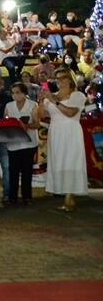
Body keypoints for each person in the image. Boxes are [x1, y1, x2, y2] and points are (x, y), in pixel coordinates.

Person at [39, 69, 88, 212]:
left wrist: (54, 100)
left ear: (69, 79)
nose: (59, 81)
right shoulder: (51, 96)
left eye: (62, 78)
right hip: (56, 131)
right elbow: (42, 115)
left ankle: (69, 197)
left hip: (71, 130)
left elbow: (71, 112)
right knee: (58, 161)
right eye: (57, 79)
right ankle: (67, 196)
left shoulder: (77, 95)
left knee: (71, 160)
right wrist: (42, 100)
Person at [4, 83, 40, 206]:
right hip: (13, 143)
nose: (15, 95)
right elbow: (5, 123)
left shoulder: (32, 105)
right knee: (13, 171)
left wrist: (26, 126)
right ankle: (12, 196)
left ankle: (27, 197)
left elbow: (37, 124)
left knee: (26, 171)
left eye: (18, 92)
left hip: (28, 143)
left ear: (24, 93)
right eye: (13, 93)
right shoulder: (9, 106)